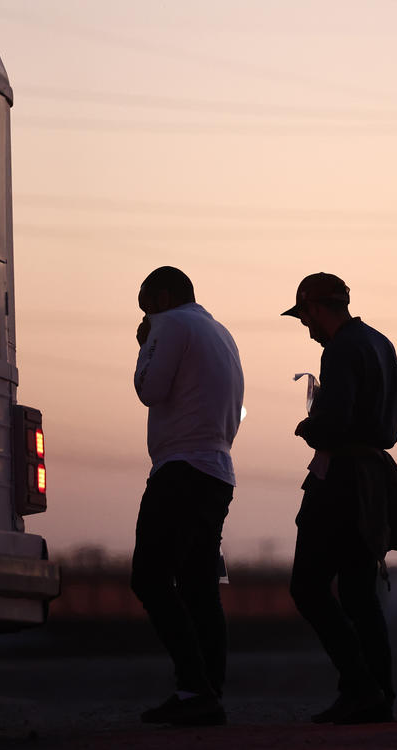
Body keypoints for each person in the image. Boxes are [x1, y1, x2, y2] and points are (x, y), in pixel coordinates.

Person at [282, 272, 397, 725]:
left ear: (318, 308)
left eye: (306, 317)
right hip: (373, 480)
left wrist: (309, 427)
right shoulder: (379, 342)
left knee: (308, 587)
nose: (307, 328)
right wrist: (373, 415)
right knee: (360, 594)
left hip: (340, 479)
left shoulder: (339, 350)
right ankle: (381, 695)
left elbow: (333, 424)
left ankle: (359, 687)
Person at [130, 266, 244, 727]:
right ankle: (207, 691)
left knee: (150, 579)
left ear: (162, 296)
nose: (145, 318)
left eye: (146, 307)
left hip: (181, 468)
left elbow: (149, 389)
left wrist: (145, 348)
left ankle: (194, 686)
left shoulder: (172, 324)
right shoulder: (220, 332)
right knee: (199, 586)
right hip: (217, 469)